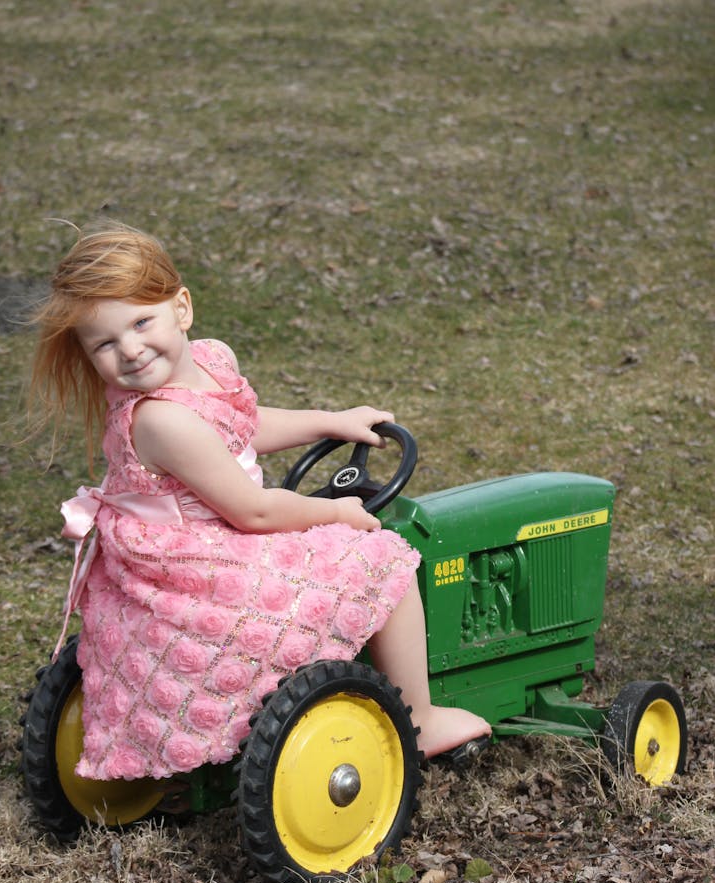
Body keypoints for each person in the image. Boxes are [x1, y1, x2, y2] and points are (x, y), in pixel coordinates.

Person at [30, 222, 490, 782]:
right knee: (382, 558)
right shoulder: (161, 419)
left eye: (141, 322)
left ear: (182, 307)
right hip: (196, 562)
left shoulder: (207, 362)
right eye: (104, 343)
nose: (129, 349)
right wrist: (337, 512)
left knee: (345, 546)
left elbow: (240, 427)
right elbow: (255, 511)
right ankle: (418, 718)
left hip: (217, 529)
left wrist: (331, 421)